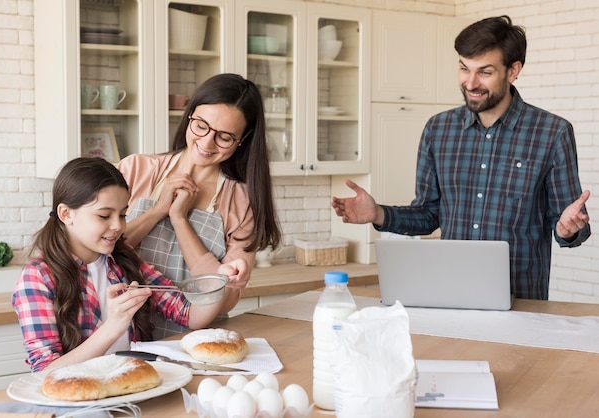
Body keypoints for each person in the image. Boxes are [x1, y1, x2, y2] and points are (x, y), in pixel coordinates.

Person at [331, 16, 591, 300]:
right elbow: (429, 215)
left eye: (485, 72)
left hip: (522, 302)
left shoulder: (552, 132)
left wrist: (567, 230)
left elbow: (568, 223)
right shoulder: (438, 129)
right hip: (452, 296)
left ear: (513, 71)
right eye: (464, 68)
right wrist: (378, 214)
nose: (470, 82)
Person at [12, 157, 249, 372]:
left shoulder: (124, 260)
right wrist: (113, 326)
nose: (118, 226)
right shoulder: (38, 278)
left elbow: (190, 314)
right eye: (104, 216)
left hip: (133, 386)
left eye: (123, 215)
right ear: (66, 214)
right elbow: (44, 373)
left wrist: (221, 279)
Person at [117, 73, 281, 338]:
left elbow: (224, 300)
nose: (206, 143)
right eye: (201, 126)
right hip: (123, 335)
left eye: (225, 137)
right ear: (190, 115)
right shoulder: (134, 169)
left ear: (244, 138)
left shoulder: (243, 201)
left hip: (199, 342)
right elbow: (97, 250)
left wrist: (180, 219)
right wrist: (158, 210)